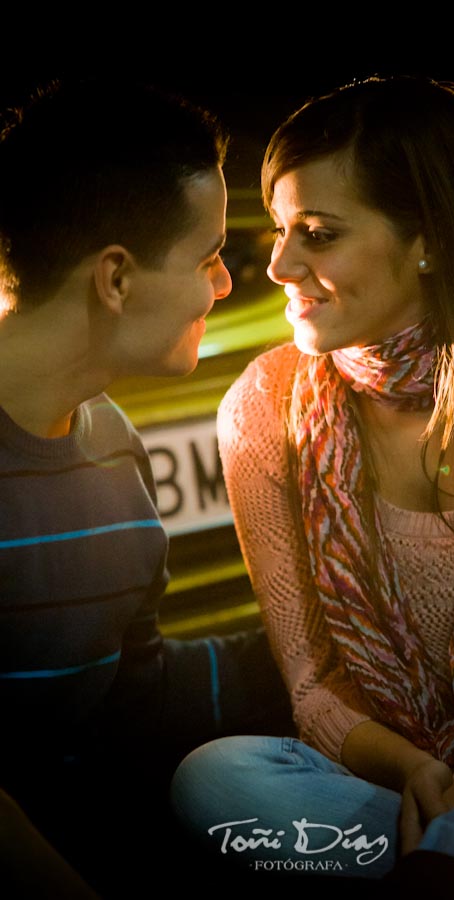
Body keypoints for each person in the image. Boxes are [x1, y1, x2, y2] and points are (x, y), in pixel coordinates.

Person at [170, 75, 454, 899]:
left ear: (428, 239)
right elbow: (312, 682)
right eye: (282, 229)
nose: (279, 264)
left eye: (319, 235)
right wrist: (426, 774)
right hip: (393, 789)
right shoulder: (264, 407)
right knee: (217, 778)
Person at [0, 77, 290, 898]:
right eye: (206, 259)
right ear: (115, 278)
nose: (226, 285)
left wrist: (342, 641)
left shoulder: (109, 440)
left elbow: (133, 698)